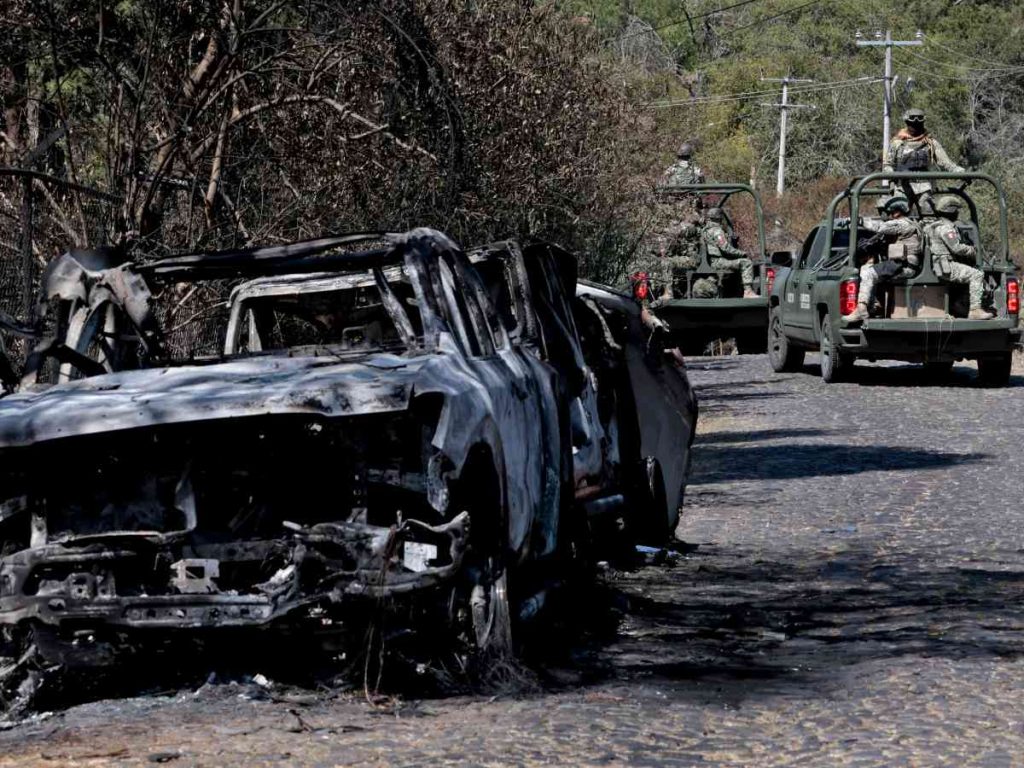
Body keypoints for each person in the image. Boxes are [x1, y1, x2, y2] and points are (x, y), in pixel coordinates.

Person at [842, 196, 923, 322]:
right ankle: (874, 305)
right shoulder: (913, 223)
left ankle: (861, 308)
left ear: (897, 212)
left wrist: (859, 220)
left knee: (868, 272)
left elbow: (880, 227)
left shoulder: (901, 223)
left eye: (890, 212)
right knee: (871, 270)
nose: (889, 215)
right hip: (906, 265)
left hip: (903, 266)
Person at [924, 195, 993, 320]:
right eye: (956, 210)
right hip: (945, 266)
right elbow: (957, 248)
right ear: (951, 211)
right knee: (976, 274)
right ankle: (975, 310)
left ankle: (959, 304)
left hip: (939, 265)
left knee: (968, 272)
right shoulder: (946, 228)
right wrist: (972, 250)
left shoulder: (933, 226)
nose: (957, 213)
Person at [883, 108, 964, 211]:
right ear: (907, 123)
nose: (915, 126)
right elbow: (887, 164)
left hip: (924, 186)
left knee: (929, 213)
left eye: (918, 123)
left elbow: (946, 163)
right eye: (912, 123)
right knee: (898, 212)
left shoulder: (930, 143)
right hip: (902, 186)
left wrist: (958, 171)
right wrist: (891, 173)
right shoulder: (897, 143)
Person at [701, 208, 757, 298]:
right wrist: (742, 253)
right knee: (746, 263)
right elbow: (726, 248)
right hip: (718, 262)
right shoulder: (717, 231)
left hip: (712, 261)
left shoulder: (705, 230)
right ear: (719, 218)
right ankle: (748, 291)